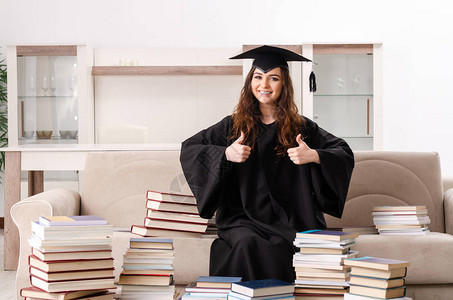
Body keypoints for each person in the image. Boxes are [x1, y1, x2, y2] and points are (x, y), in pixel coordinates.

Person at [179, 45, 354, 282]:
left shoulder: (301, 128)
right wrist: (225, 154)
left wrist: (314, 156)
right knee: (248, 243)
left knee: (282, 245)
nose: (264, 85)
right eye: (258, 77)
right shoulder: (233, 126)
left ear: (284, 84)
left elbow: (343, 151)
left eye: (273, 78)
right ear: (250, 82)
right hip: (242, 219)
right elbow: (190, 148)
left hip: (290, 218)